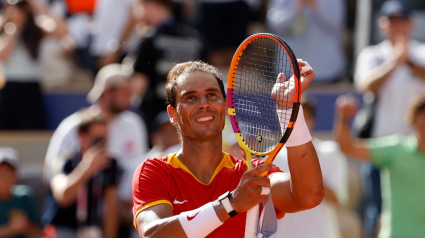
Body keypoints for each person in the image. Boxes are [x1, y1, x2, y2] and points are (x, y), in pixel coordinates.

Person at [132, 60, 324, 237]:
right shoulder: (153, 171)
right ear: (172, 113)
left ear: (225, 107)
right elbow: (152, 234)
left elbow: (308, 196)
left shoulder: (250, 174)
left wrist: (290, 110)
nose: (204, 104)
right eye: (190, 97)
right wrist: (230, 204)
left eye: (211, 95)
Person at [353, 1, 425, 235]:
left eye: (401, 20)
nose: (397, 26)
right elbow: (366, 85)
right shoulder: (372, 55)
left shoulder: (422, 53)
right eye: (391, 21)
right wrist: (395, 61)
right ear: (381, 25)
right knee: (377, 210)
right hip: (380, 147)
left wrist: (409, 62)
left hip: (418, 150)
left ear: (411, 23)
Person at [43, 63, 148, 220]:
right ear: (106, 93)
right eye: (125, 92)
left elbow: (139, 169)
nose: (130, 98)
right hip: (74, 215)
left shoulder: (134, 124)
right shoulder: (73, 125)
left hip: (122, 212)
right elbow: (53, 173)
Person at [335, 94, 425, 238]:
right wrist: (343, 118)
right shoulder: (395, 149)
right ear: (413, 118)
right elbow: (347, 148)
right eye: (422, 113)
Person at [273, 96, 348, 238]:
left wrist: (304, 174)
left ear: (313, 120)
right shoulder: (272, 157)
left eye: (302, 118)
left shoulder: (331, 152)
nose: (296, 123)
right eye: (292, 118)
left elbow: (337, 198)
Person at [131, 0, 208, 131]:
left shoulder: (150, 40)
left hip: (155, 121)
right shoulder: (195, 38)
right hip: (189, 116)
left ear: (152, 5)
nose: (136, 14)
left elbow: (139, 85)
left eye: (139, 7)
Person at [42, 113, 118, 238]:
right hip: (61, 228)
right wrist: (86, 168)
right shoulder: (64, 159)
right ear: (81, 136)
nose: (100, 144)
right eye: (97, 139)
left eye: (104, 139)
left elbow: (110, 210)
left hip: (91, 229)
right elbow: (63, 197)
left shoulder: (109, 163)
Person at [0, 0, 67, 129]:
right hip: (9, 88)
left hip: (32, 89)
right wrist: (16, 26)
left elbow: (62, 30)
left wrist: (39, 7)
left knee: (33, 130)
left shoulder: (37, 28)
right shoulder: (4, 27)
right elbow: (2, 55)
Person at [122, 111, 181, 238]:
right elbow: (122, 204)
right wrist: (147, 220)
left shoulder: (191, 163)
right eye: (166, 132)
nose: (171, 137)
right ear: (154, 137)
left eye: (174, 132)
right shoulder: (136, 165)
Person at [266, 0, 346, 83]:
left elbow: (339, 23)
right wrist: (295, 10)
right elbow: (273, 24)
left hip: (327, 71)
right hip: (289, 70)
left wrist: (316, 8)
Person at [0, 148, 40, 238]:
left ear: (16, 175)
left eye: (9, 173)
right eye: (1, 173)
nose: (4, 178)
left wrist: (25, 227)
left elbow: (38, 229)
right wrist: (11, 228)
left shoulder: (24, 196)